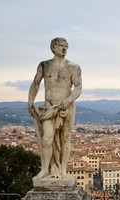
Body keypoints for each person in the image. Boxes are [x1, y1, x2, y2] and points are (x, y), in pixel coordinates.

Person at [28, 37, 82, 180]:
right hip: (49, 107)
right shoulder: (44, 65)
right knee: (47, 139)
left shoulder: (73, 67)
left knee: (65, 138)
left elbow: (78, 87)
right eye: (61, 46)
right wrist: (30, 102)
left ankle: (63, 170)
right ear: (53, 48)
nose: (64, 49)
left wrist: (68, 100)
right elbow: (35, 84)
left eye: (66, 46)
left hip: (67, 107)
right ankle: (45, 170)